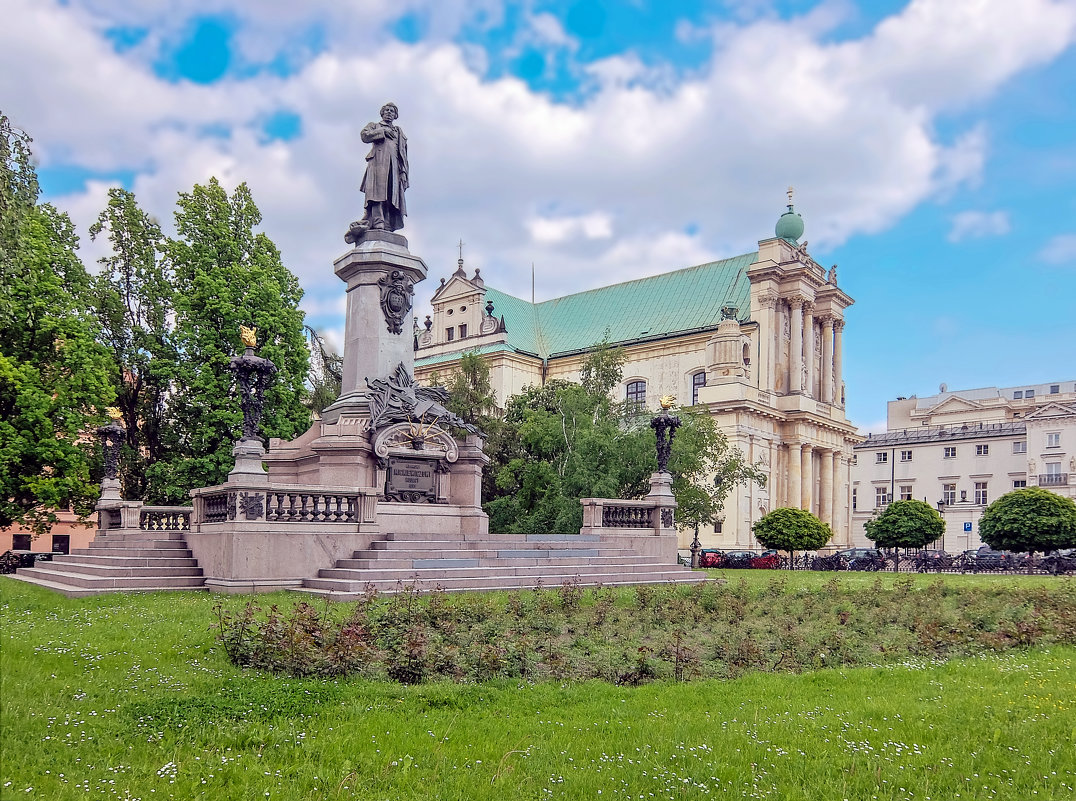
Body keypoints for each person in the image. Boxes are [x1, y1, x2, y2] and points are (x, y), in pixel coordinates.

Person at [359, 102, 408, 232]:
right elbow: (364, 135)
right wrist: (382, 131)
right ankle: (377, 220)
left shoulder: (398, 132)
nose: (389, 113)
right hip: (378, 163)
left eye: (392, 111)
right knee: (377, 193)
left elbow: (403, 154)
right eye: (386, 110)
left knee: (391, 195)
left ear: (395, 115)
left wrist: (403, 172)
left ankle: (387, 222)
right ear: (382, 113)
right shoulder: (375, 126)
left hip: (394, 166)